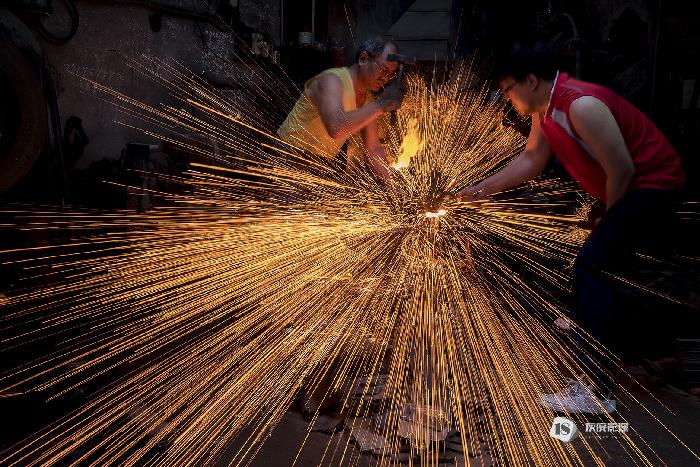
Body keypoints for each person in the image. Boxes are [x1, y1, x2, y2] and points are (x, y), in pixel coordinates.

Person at [457, 43, 685, 414]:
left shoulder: (580, 105)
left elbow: (623, 169)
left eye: (509, 89)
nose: (508, 98)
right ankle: (627, 347)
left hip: (653, 187)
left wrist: (607, 215)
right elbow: (532, 159)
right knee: (602, 272)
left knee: (588, 268)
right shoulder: (545, 111)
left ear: (531, 81)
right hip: (629, 190)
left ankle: (597, 391)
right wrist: (480, 189)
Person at [277, 36, 404, 182]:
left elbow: (373, 147)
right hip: (289, 157)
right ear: (363, 59)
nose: (385, 79)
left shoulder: (368, 99)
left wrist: (391, 183)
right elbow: (336, 128)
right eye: (383, 70)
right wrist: (380, 105)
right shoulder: (331, 81)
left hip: (320, 164)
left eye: (391, 75)